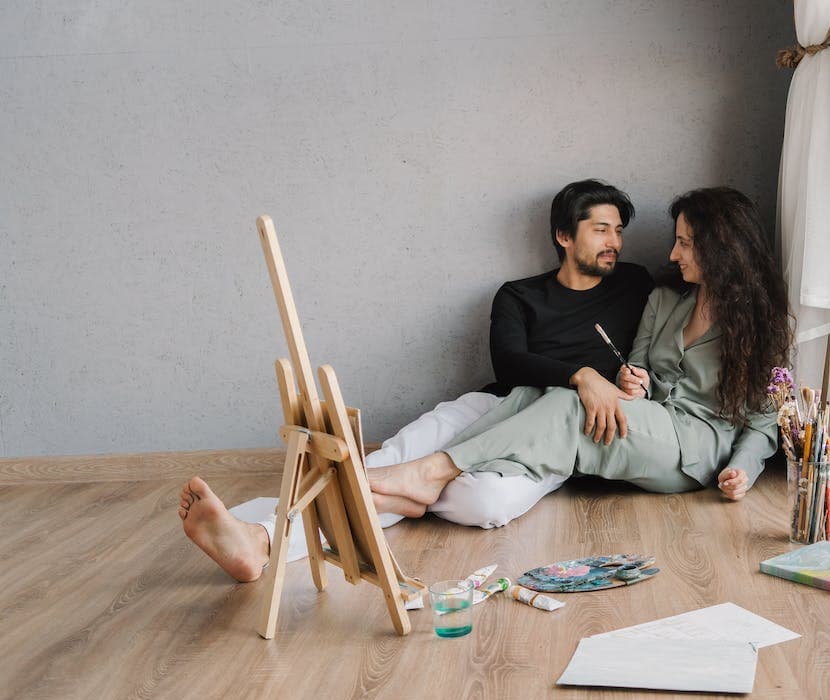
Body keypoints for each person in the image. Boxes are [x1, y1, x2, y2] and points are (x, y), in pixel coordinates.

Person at [179, 179, 653, 581]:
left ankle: (394, 493)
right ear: (564, 236)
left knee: (483, 503)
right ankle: (262, 539)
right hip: (494, 405)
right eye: (601, 229)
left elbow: (664, 349)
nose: (615, 240)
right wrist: (582, 374)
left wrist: (637, 381)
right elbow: (508, 363)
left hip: (553, 432)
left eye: (618, 230)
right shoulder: (518, 295)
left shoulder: (635, 285)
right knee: (393, 458)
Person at [367, 187, 792, 515]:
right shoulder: (665, 299)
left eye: (685, 243)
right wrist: (636, 382)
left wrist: (744, 470)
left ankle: (432, 471)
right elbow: (638, 366)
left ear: (720, 248)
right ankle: (415, 489)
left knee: (571, 406)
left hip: (694, 450)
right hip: (649, 418)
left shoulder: (756, 322)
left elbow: (763, 421)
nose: (672, 253)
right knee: (538, 394)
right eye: (676, 240)